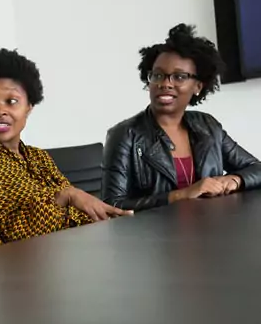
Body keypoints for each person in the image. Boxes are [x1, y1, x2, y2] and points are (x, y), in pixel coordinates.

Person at [0, 48, 130, 249]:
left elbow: (75, 214)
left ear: (29, 106)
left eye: (11, 101)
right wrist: (63, 197)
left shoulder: (38, 157)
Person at [101, 24, 261, 211]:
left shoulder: (208, 126)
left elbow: (256, 168)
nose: (165, 84)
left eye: (179, 77)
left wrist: (235, 179)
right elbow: (110, 206)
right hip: (155, 238)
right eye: (158, 75)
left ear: (198, 86)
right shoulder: (125, 135)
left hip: (213, 230)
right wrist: (179, 196)